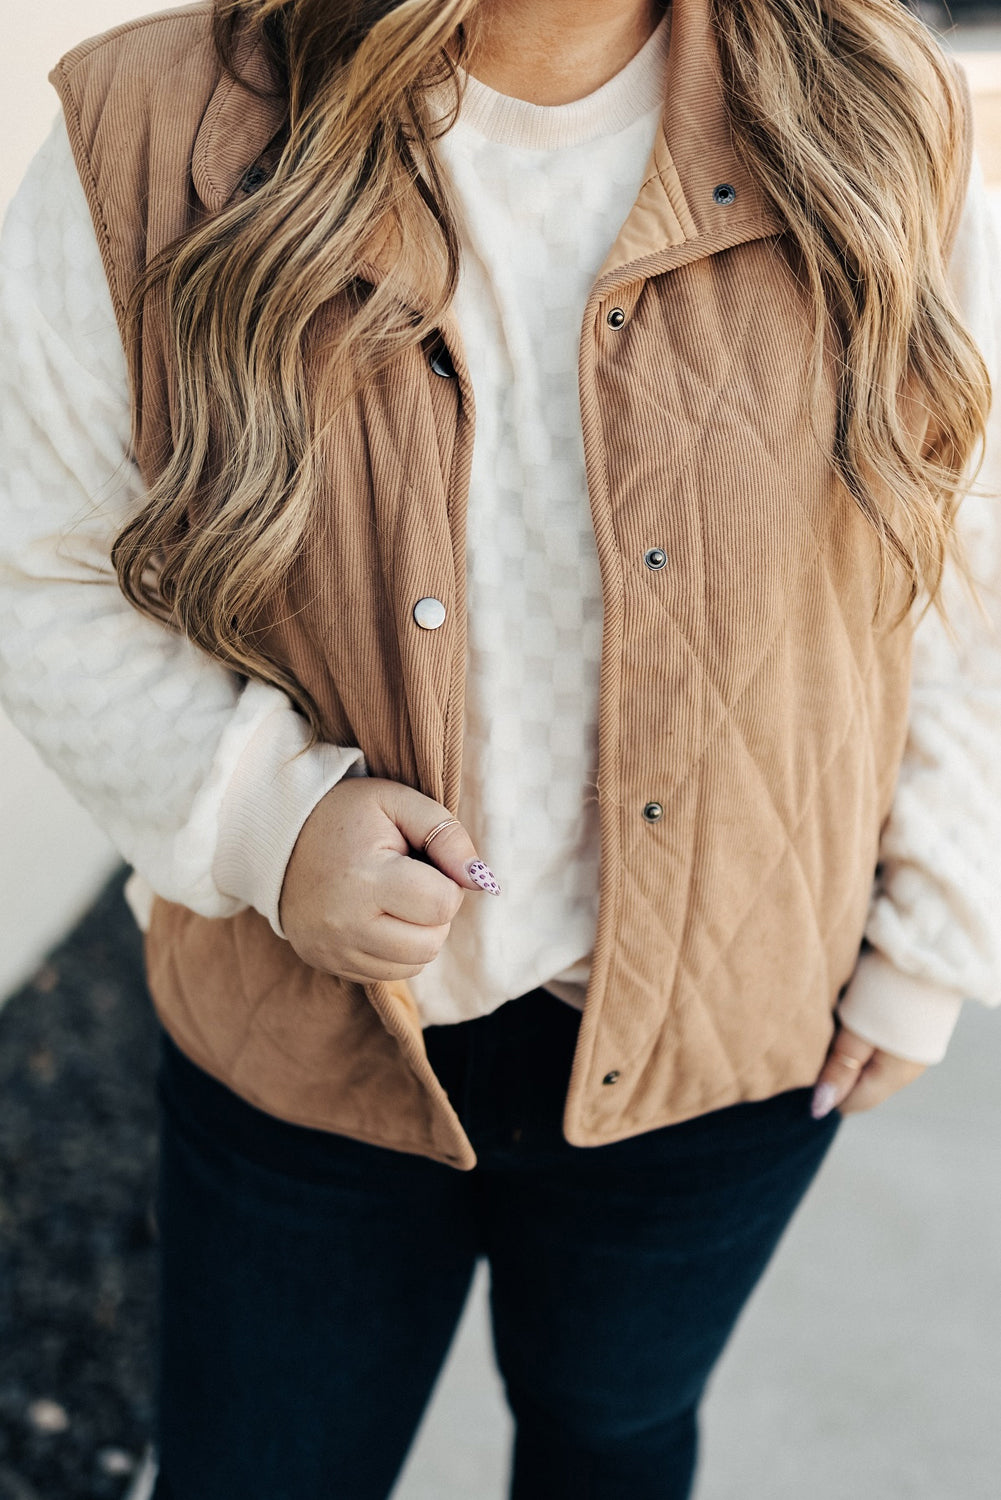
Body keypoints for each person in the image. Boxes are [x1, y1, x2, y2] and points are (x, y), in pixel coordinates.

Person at [0, 0, 999, 1495]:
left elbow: (964, 555)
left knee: (615, 1435)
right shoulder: (147, 125)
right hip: (308, 1048)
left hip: (723, 1046)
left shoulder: (883, 106)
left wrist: (936, 931)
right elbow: (41, 563)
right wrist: (268, 821)